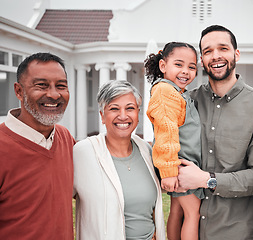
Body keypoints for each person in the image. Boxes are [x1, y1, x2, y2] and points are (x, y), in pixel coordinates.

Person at [177, 25, 253, 239]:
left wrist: (208, 180)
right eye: (207, 51)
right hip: (187, 231)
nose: (216, 56)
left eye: (223, 48)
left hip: (236, 232)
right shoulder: (186, 102)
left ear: (236, 53)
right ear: (202, 60)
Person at [73, 80, 165, 240]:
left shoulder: (146, 150)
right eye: (114, 109)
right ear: (102, 115)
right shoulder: (83, 152)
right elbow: (58, 202)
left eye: (130, 108)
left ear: (138, 113)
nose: (123, 116)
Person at [0, 52, 74, 239]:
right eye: (41, 85)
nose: (54, 94)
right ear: (19, 91)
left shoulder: (65, 138)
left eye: (61, 86)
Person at [145, 42, 204, 240]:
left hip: (180, 163)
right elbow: (166, 131)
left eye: (191, 66)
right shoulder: (165, 92)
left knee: (178, 211)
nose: (185, 71)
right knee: (193, 213)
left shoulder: (177, 92)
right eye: (178, 65)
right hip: (180, 165)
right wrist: (169, 173)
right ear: (163, 66)